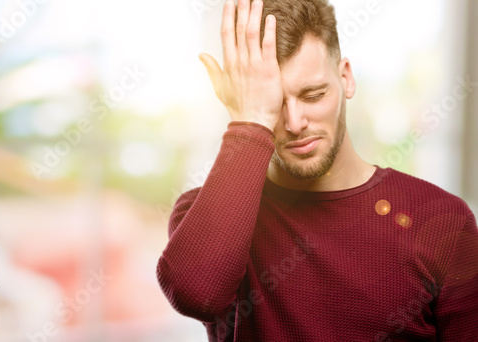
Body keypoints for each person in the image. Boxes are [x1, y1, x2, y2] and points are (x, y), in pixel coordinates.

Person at [156, 0, 478, 340]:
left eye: (313, 95)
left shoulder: (444, 220)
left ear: (346, 78)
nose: (295, 123)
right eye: (274, 104)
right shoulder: (206, 216)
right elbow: (196, 295)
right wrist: (251, 121)